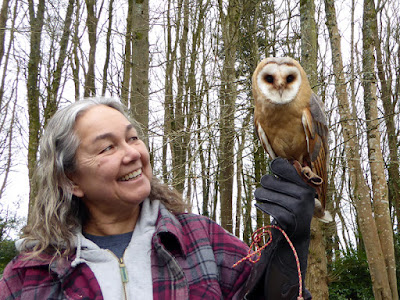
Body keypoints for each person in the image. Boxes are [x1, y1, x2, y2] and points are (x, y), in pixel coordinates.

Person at [0, 97, 315, 299]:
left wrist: (291, 243)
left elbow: (272, 295)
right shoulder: (29, 276)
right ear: (71, 180)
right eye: (107, 147)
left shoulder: (201, 239)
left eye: (132, 138)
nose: (132, 154)